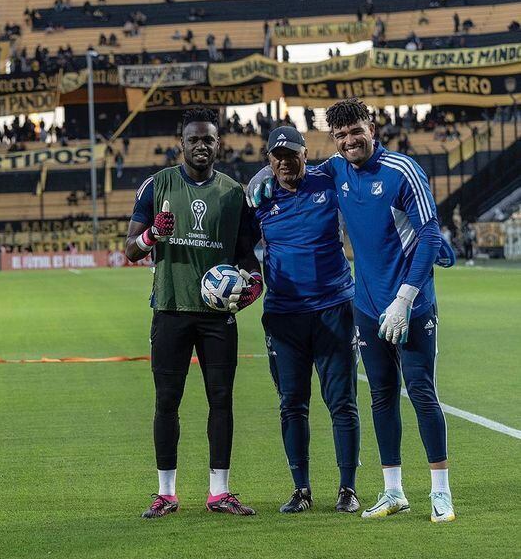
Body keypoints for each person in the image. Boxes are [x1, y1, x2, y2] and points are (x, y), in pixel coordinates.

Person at [246, 98, 456, 524]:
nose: (348, 140)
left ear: (372, 127)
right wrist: (262, 172)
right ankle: (393, 491)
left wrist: (406, 296)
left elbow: (430, 231)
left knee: (420, 392)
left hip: (408, 306)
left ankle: (441, 492)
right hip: (365, 307)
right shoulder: (337, 170)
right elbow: (291, 170)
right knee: (380, 397)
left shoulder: (403, 170)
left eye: (355, 131)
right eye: (340, 135)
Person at [126, 107, 263, 519]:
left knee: (220, 400)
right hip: (170, 308)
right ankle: (166, 493)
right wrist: (153, 234)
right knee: (167, 401)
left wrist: (253, 285)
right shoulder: (157, 185)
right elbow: (130, 249)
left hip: (217, 315)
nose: (201, 146)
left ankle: (218, 492)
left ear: (218, 144)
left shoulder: (233, 193)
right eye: (194, 140)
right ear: (181, 144)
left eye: (208, 139)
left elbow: (247, 257)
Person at [253, 127, 361, 514]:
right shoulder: (259, 200)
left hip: (334, 309)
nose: (284, 162)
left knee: (342, 403)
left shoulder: (328, 180)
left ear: (305, 154)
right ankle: (301, 489)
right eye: (276, 157)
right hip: (284, 317)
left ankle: (347, 488)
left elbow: (357, 167)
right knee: (291, 404)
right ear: (269, 160)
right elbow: (242, 251)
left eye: (291, 155)